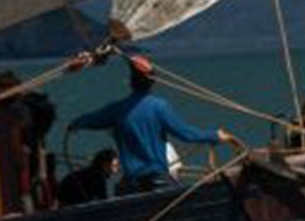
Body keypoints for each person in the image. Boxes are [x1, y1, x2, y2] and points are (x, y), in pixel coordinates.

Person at [69, 54, 240, 194]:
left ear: (131, 81)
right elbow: (186, 134)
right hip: (157, 181)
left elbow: (90, 119)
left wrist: (75, 124)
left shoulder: (117, 110)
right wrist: (215, 135)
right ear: (152, 82)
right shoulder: (159, 107)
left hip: (131, 184)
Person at [55, 149, 121, 206]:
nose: (116, 170)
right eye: (114, 166)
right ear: (105, 164)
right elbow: (103, 202)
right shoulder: (97, 177)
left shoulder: (91, 174)